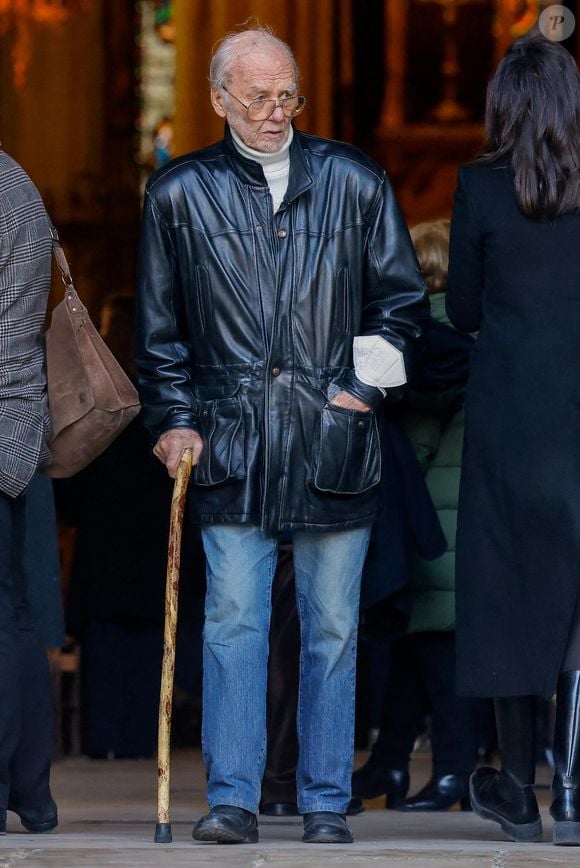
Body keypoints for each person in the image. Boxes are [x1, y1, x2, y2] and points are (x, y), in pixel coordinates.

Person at [135, 26, 427, 845]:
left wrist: (360, 391)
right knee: (233, 624)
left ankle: (326, 799)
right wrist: (173, 418)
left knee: (333, 626)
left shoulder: (354, 180)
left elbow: (402, 304)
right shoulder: (179, 196)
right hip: (228, 441)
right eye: (257, 96)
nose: (274, 112)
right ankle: (233, 796)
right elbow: (159, 334)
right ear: (219, 97)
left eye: (287, 95)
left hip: (334, 441)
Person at [446, 33, 580, 846]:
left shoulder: (479, 188)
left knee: (507, 594)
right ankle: (572, 787)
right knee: (575, 601)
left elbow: (461, 309)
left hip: (506, 419)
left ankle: (520, 793)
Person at [351, 219, 482, 814]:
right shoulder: (480, 334)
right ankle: (390, 765)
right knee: (415, 645)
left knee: (436, 650)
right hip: (464, 516)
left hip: (430, 517)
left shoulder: (424, 339)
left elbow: (420, 438)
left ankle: (453, 771)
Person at [0, 148, 58, 834]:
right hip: (13, 423)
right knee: (12, 613)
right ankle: (32, 790)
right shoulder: (16, 181)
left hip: (5, 413)